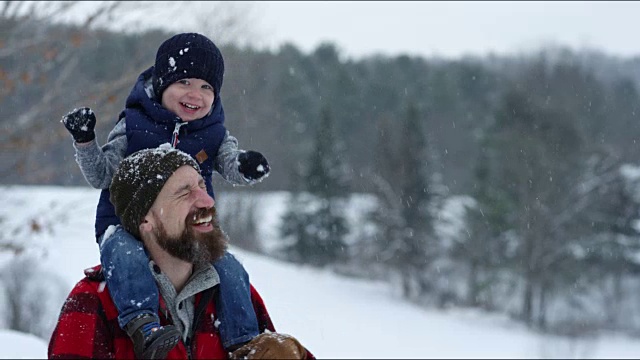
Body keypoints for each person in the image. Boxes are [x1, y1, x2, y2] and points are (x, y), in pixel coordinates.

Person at [60, 33, 270, 358]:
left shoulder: (214, 132)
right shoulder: (133, 125)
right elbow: (103, 175)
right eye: (184, 81)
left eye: (206, 87)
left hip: (193, 231)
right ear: (161, 84)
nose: (194, 94)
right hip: (125, 226)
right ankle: (144, 326)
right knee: (127, 257)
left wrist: (246, 166)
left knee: (230, 268)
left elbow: (230, 164)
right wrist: (86, 143)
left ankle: (245, 343)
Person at [48, 146, 312, 359]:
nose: (207, 200)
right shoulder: (94, 302)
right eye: (184, 193)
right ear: (145, 220)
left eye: (202, 186)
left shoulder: (232, 291)